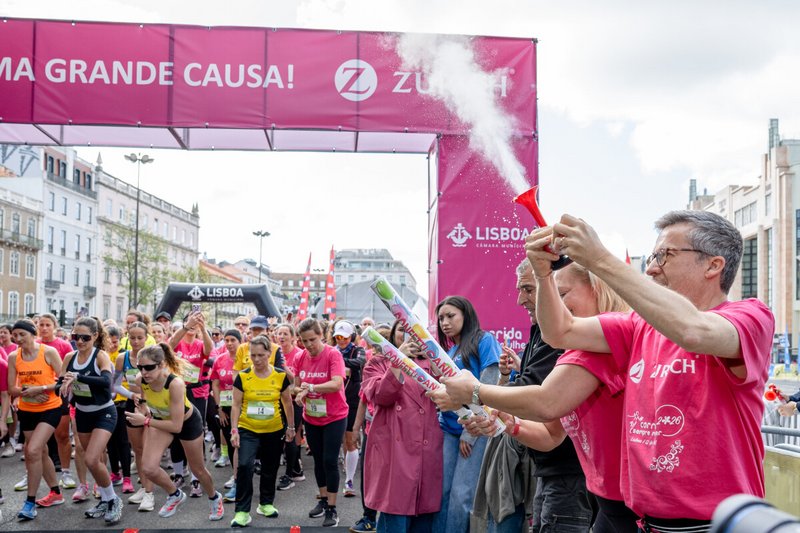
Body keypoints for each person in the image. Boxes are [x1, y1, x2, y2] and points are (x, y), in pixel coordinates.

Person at [437, 210, 775, 531]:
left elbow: (694, 331)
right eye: (653, 257)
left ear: (714, 265)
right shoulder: (637, 326)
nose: (652, 269)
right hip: (645, 520)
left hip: (717, 523)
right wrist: (543, 275)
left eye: (665, 255)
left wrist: (598, 259)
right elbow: (560, 331)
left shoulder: (750, 318)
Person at [464, 261, 635, 532]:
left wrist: (474, 391)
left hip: (636, 501)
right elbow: (552, 434)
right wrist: (511, 423)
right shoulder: (574, 348)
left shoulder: (611, 335)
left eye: (561, 294)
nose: (550, 305)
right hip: (608, 498)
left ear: (597, 288)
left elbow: (547, 402)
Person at [125, 343, 224, 521]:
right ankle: (174, 494)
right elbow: (144, 398)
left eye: (149, 367)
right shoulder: (141, 379)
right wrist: (144, 408)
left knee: (198, 470)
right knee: (148, 468)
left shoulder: (175, 384)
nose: (144, 372)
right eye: (140, 367)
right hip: (161, 420)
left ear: (162, 364)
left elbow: (176, 426)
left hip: (186, 423)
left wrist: (146, 420)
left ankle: (214, 498)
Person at [361, 320, 443, 532]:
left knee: (424, 516)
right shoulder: (377, 362)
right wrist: (398, 360)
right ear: (393, 336)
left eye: (413, 332)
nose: (408, 336)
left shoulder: (431, 364)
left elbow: (450, 396)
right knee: (395, 514)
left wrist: (436, 365)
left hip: (427, 448)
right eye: (402, 332)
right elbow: (381, 396)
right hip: (394, 450)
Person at [431, 296, 500, 533]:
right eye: (441, 318)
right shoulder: (450, 349)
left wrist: (470, 433)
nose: (444, 322)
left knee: (463, 495)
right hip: (450, 431)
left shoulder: (484, 340)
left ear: (466, 315)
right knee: (444, 493)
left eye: (450, 316)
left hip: (474, 432)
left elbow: (489, 384)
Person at [59, 317, 123, 524]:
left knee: (91, 459)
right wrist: (60, 387)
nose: (79, 341)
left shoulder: (100, 356)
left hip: (104, 412)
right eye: (76, 336)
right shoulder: (69, 356)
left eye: (85, 337)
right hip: (82, 412)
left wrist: (78, 378)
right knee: (93, 461)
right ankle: (105, 499)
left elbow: (106, 382)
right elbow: (61, 382)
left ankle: (113, 500)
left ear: (95, 336)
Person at [229, 335, 295, 527]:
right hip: (248, 429)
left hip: (273, 430)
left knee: (270, 467)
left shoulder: (280, 376)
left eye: (260, 355)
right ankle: (242, 511)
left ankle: (266, 503)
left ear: (269, 353)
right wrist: (234, 430)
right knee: (245, 466)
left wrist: (290, 427)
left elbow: (287, 402)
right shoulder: (242, 377)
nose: (256, 359)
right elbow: (235, 404)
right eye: (253, 355)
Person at [294, 318, 349, 527]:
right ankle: (324, 500)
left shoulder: (333, 354)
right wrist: (299, 393)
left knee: (329, 460)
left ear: (322, 336)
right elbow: (296, 386)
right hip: (312, 416)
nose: (309, 345)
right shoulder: (300, 357)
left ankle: (333, 509)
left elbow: (336, 384)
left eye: (313, 340)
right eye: (304, 341)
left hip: (335, 416)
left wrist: (311, 388)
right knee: (318, 460)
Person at [7, 319, 63, 521]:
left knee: (32, 451)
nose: (18, 339)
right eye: (15, 335)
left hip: (50, 407)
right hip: (27, 409)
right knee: (42, 451)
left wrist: (41, 389)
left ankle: (29, 502)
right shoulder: (14, 356)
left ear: (33, 334)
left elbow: (63, 381)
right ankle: (56, 492)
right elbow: (12, 389)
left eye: (22, 334)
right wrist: (27, 393)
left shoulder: (48, 352)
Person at [168, 310, 213, 497]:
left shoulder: (200, 343)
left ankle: (196, 477)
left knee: (196, 432)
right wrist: (187, 326)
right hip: (177, 391)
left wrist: (203, 328)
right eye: (190, 321)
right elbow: (169, 346)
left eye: (197, 322)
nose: (194, 325)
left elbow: (209, 351)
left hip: (197, 392)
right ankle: (179, 472)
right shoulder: (178, 342)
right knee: (176, 431)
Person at [112, 321, 156, 511]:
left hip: (151, 406)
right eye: (132, 337)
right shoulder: (123, 358)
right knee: (138, 449)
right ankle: (144, 488)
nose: (136, 341)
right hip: (132, 404)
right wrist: (132, 395)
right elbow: (114, 384)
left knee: (148, 450)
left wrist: (146, 399)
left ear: (147, 338)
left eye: (140, 338)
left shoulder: (154, 356)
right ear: (127, 338)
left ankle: (150, 493)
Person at [36, 313, 75, 491]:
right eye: (41, 324)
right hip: (38, 396)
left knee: (62, 435)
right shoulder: (34, 345)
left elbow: (68, 372)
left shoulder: (63, 345)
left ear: (54, 326)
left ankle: (66, 473)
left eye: (47, 325)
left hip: (59, 393)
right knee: (36, 440)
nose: (44, 328)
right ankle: (32, 474)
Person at [331, 320, 366, 498]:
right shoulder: (332, 350)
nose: (341, 340)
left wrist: (338, 361)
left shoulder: (357, 349)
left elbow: (360, 362)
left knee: (351, 439)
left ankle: (349, 480)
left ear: (351, 336)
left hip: (353, 399)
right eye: (338, 337)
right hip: (333, 399)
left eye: (344, 337)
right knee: (338, 440)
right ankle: (330, 484)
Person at [275, 323, 306, 491]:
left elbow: (297, 381)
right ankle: (296, 469)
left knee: (291, 433)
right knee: (282, 435)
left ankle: (289, 474)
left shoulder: (300, 355)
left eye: (285, 333)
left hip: (295, 400)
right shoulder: (273, 353)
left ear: (293, 337)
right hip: (277, 399)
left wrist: (283, 365)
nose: (282, 337)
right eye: (279, 333)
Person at [211, 328, 239, 499]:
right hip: (226, 407)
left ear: (240, 341)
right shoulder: (219, 360)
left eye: (232, 340)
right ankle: (235, 474)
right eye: (226, 340)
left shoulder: (247, 359)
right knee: (230, 442)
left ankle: (240, 477)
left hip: (243, 408)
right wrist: (219, 407)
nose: (229, 343)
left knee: (241, 443)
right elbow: (215, 385)